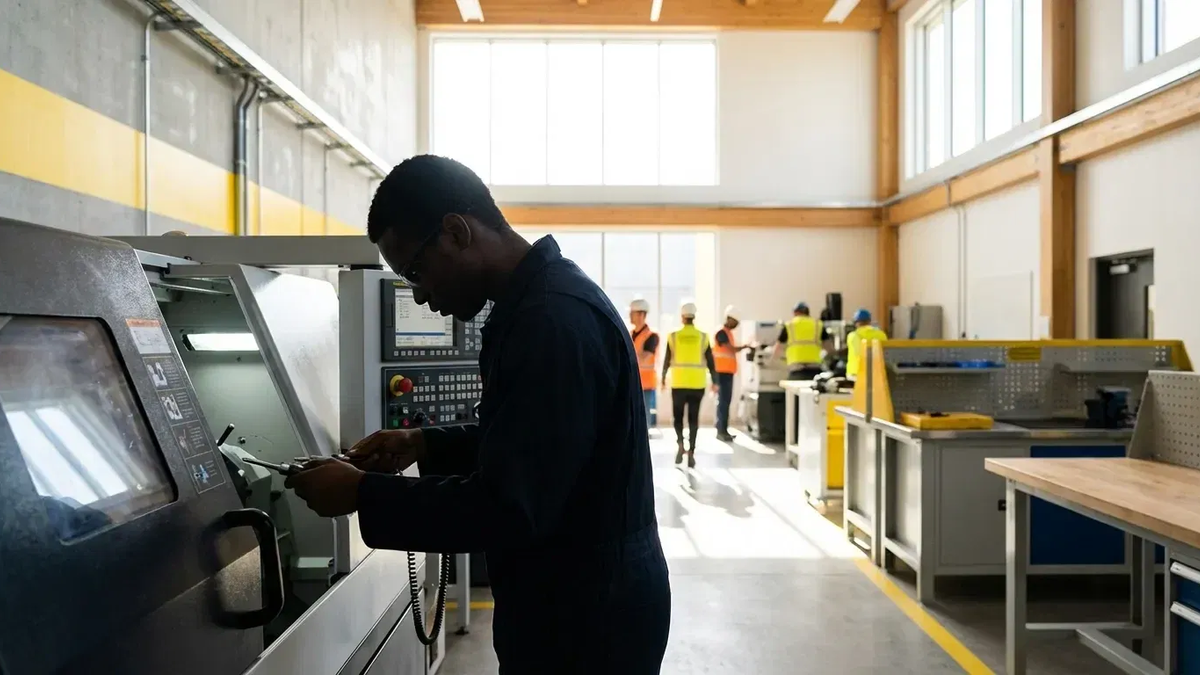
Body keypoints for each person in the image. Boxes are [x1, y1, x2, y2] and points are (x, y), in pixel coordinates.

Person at [283, 155, 670, 674]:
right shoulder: (537, 304)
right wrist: (427, 444)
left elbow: (511, 507)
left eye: (416, 272)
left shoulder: (551, 323)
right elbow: (537, 438)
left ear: (456, 232)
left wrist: (360, 493)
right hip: (576, 594)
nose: (420, 295)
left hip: (585, 618)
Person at [661, 302, 718, 467]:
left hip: (678, 383)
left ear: (682, 316)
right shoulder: (703, 336)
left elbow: (666, 359)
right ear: (694, 316)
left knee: (677, 418)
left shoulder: (673, 336)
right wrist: (715, 381)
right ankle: (691, 452)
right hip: (697, 384)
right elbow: (710, 361)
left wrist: (663, 378)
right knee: (693, 418)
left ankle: (680, 444)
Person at [712, 305, 747, 442]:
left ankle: (722, 428)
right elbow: (729, 348)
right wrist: (745, 346)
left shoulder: (727, 332)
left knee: (725, 401)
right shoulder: (721, 332)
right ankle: (721, 430)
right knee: (724, 402)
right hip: (722, 372)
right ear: (729, 319)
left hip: (727, 372)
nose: (736, 325)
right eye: (736, 322)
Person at [774, 302, 827, 380]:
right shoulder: (818, 324)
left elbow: (777, 350)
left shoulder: (789, 325)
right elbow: (829, 349)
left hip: (796, 369)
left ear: (795, 312)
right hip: (815, 369)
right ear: (808, 312)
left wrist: (785, 359)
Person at [629, 298, 660, 431]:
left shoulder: (651, 336)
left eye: (633, 313)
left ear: (642, 315)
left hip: (645, 383)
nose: (630, 316)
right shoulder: (630, 334)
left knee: (644, 417)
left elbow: (645, 356)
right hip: (631, 381)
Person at [846, 308, 888, 381]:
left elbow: (857, 353)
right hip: (877, 372)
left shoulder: (853, 335)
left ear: (856, 322)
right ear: (869, 321)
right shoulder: (881, 334)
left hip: (856, 373)